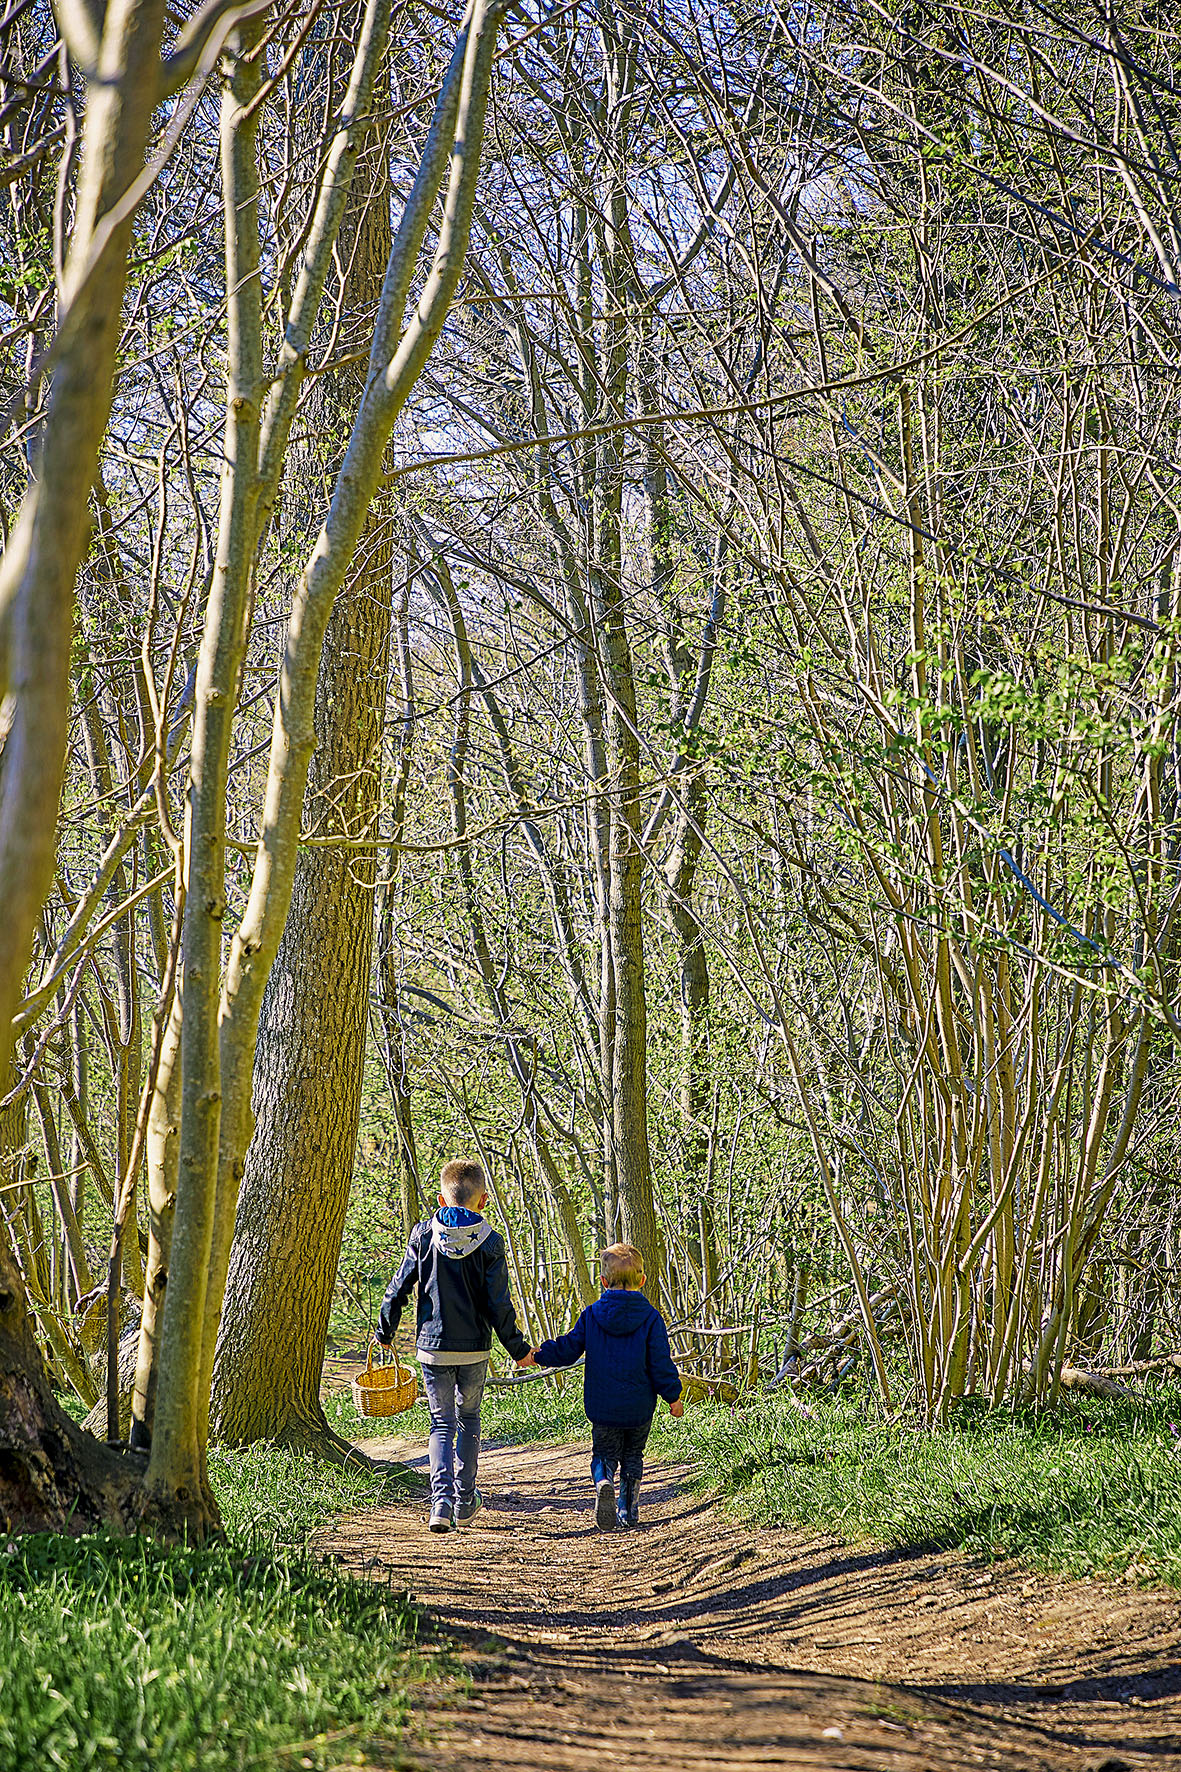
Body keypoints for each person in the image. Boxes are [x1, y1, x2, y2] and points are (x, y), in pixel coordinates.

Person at [376, 1157, 531, 1533]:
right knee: (469, 1418)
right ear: (483, 1201)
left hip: (433, 1347)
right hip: (475, 1349)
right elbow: (499, 1304)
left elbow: (399, 1287)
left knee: (441, 1423)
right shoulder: (491, 1243)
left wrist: (385, 1329)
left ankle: (440, 1503)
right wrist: (518, 1348)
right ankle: (465, 1500)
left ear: (442, 1202)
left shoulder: (422, 1235)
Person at [519, 1243, 683, 1530]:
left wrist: (538, 1355)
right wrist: (673, 1396)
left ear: (603, 1281)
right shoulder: (651, 1318)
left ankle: (603, 1481)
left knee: (604, 1453)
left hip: (602, 1405)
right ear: (642, 1281)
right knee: (633, 1455)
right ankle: (628, 1511)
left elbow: (569, 1348)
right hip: (638, 1407)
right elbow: (660, 1363)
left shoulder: (592, 1315)